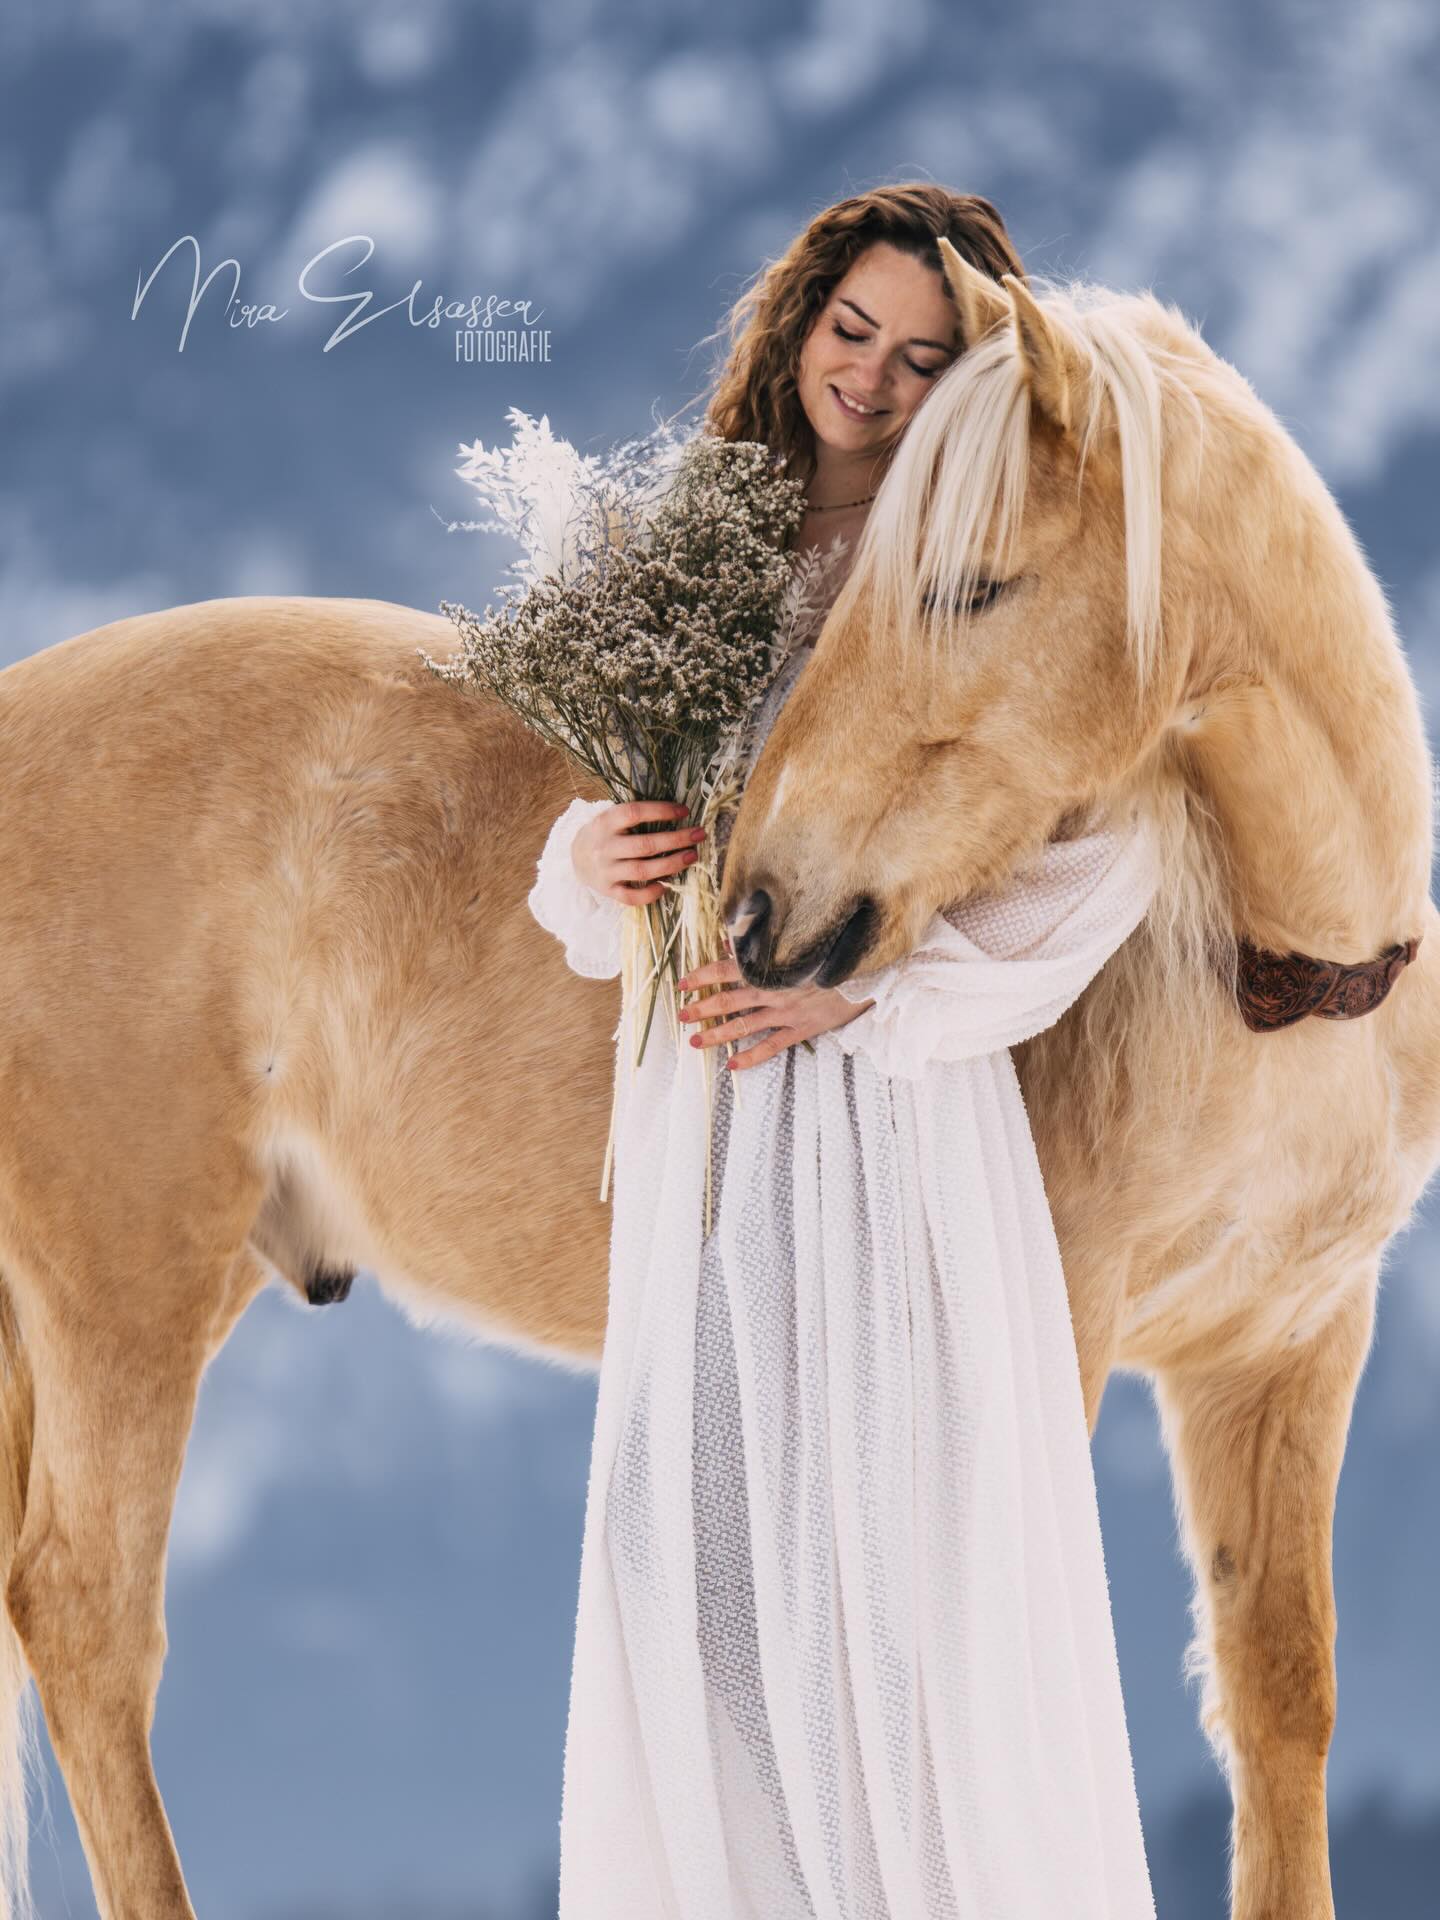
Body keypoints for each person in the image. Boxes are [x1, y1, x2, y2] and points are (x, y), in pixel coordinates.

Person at [530, 185, 1161, 1919]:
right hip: (703, 1123)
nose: (872, 379)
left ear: (976, 376)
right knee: (684, 1546)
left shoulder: (990, 567)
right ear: (800, 319)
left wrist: (870, 991)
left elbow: (1113, 848)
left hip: (889, 1118)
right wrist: (600, 865)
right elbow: (602, 841)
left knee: (894, 1555)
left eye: (922, 352)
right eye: (849, 330)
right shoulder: (700, 550)